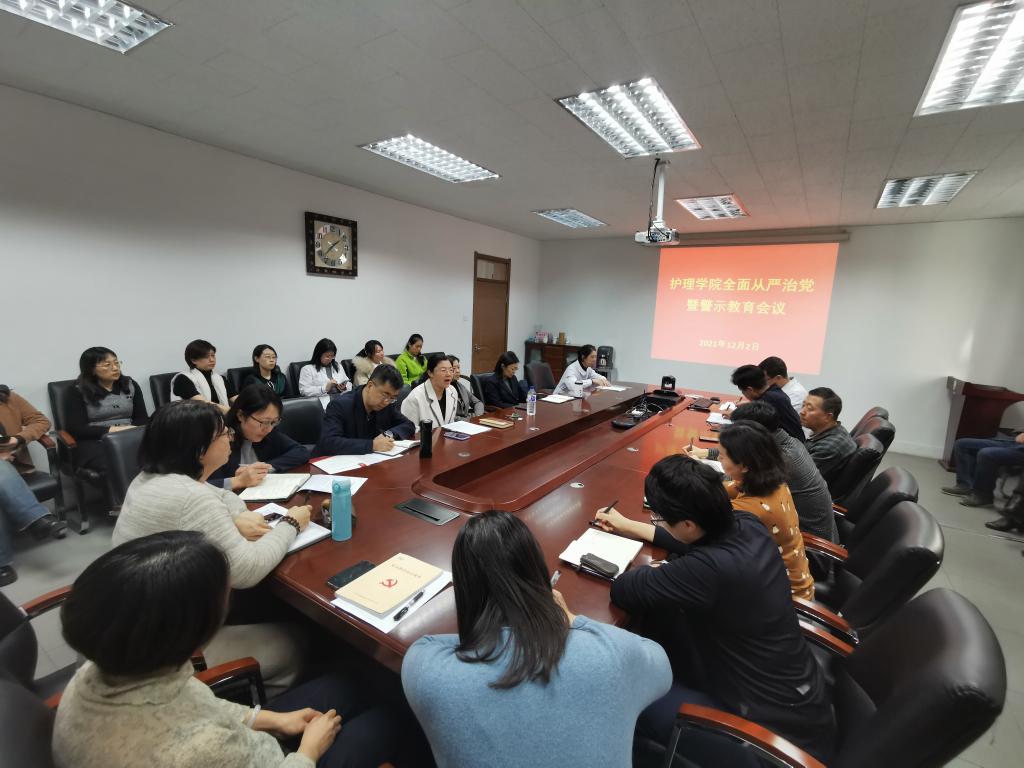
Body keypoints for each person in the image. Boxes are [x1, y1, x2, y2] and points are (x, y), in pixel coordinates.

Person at [53, 530, 401, 768]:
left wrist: (271, 720)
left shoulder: (104, 669)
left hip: (237, 743)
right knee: (389, 719)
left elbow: (198, 705)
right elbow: (205, 738)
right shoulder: (199, 749)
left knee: (351, 681)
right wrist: (309, 750)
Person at [595, 456, 834, 764]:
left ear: (689, 524)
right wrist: (629, 526)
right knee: (665, 622)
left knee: (622, 688)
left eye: (660, 518)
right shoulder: (746, 523)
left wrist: (660, 571)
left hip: (760, 732)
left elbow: (624, 589)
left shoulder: (710, 570)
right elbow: (692, 543)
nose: (659, 522)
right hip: (795, 700)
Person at [401, 510, 671, 768]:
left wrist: (488, 631)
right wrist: (570, 618)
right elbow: (661, 665)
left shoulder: (426, 670)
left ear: (464, 589)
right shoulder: (612, 655)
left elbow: (435, 645)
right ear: (539, 574)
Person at [112, 399, 312, 694]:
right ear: (199, 448)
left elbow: (223, 497)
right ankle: (259, 704)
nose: (231, 437)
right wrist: (291, 523)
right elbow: (248, 570)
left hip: (143, 617)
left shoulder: (152, 478)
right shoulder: (189, 498)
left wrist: (234, 518)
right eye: (223, 433)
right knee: (298, 641)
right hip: (168, 651)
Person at [688, 401, 838, 543]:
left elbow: (730, 486)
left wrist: (698, 471)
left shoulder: (779, 460)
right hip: (794, 531)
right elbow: (736, 461)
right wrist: (706, 454)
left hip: (809, 540)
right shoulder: (787, 443)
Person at [716, 421, 814, 599]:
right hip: (789, 580)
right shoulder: (771, 482)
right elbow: (722, 490)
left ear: (744, 466)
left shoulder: (753, 508)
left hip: (786, 600)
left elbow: (702, 523)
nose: (718, 460)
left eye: (722, 457)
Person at [0, 385, 66, 586]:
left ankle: (2, 565)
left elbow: (41, 421)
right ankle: (36, 520)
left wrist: (19, 439)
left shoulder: (8, 398)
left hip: (15, 469)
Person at [208, 385, 310, 492]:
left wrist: (265, 468)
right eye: (265, 422)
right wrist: (238, 481)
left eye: (274, 422)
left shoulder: (268, 430)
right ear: (241, 415)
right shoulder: (220, 438)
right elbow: (201, 484)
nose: (269, 429)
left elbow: (301, 452)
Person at [66, 347, 148, 473]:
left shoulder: (130, 385)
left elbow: (142, 418)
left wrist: (130, 432)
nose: (115, 368)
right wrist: (115, 430)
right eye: (107, 365)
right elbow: (77, 428)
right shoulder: (77, 391)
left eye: (116, 363)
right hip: (95, 440)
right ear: (92, 369)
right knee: (118, 463)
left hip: (130, 435)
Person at [314, 365, 415, 456]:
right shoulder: (340, 405)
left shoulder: (387, 404)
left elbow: (408, 425)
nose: (387, 401)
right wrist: (372, 445)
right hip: (337, 465)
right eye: (385, 395)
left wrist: (388, 434)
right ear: (370, 386)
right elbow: (328, 442)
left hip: (372, 461)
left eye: (393, 398)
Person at [942, 431, 1024, 510]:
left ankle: (983, 495)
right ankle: (966, 485)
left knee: (987, 454)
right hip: (1015, 439)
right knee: (961, 444)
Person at [730, 364, 804, 441]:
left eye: (742, 391)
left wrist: (734, 416)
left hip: (786, 445)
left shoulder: (768, 401)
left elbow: (749, 426)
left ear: (750, 390)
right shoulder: (774, 391)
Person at [800, 387, 857, 486]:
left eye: (809, 408)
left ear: (828, 416)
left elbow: (798, 478)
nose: (802, 411)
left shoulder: (828, 447)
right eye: (803, 405)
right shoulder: (835, 430)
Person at [171, 339, 235, 413]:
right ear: (194, 360)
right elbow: (203, 404)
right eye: (206, 357)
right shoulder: (183, 379)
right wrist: (231, 412)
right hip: (195, 418)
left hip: (220, 416)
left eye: (213, 355)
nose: (212, 360)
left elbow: (235, 397)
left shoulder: (220, 378)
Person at [401, 353, 459, 429]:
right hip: (423, 437)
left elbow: (450, 422)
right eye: (443, 370)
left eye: (451, 370)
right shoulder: (415, 398)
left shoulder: (452, 391)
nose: (448, 374)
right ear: (430, 373)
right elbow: (408, 429)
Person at [298, 338, 351, 407]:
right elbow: (304, 391)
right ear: (319, 354)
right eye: (327, 356)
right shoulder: (307, 369)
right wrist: (324, 388)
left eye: (332, 356)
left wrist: (344, 387)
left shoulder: (338, 366)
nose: (330, 359)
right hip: (322, 404)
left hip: (342, 400)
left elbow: (348, 383)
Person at [447, 355, 484, 420]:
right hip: (456, 423)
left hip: (468, 421)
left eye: (458, 367)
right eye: (454, 368)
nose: (458, 371)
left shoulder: (460, 386)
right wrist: (469, 420)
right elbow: (448, 417)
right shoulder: (443, 389)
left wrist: (477, 416)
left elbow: (477, 403)